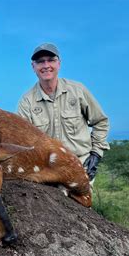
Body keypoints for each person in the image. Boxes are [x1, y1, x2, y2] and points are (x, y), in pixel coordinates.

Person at [17, 43, 110, 184]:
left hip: (80, 164)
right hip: (46, 170)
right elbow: (21, 139)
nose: (46, 65)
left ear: (59, 64)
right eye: (40, 62)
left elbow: (101, 122)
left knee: (81, 205)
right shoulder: (27, 101)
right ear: (33, 67)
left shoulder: (77, 90)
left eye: (51, 60)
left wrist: (96, 154)